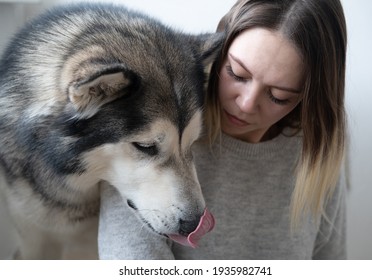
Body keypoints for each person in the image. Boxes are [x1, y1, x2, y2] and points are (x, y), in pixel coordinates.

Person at [98, 0, 348, 259]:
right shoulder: (150, 129)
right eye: (237, 73)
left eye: (278, 96)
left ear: (307, 98)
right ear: (220, 49)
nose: (246, 104)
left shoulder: (317, 151)